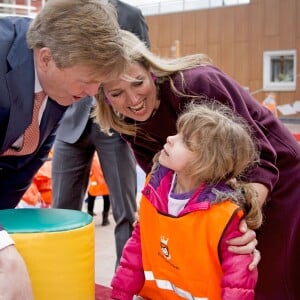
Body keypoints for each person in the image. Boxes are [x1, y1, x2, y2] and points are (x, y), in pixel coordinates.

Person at [95, 30, 300, 299]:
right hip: (220, 195)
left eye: (138, 82)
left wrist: (242, 222)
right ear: (104, 97)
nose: (132, 100)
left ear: (151, 70)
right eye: (117, 93)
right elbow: (160, 179)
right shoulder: (126, 120)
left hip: (277, 179)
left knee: (267, 276)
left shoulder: (197, 84)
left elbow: (260, 158)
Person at [0, 0, 125, 298]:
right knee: (10, 270)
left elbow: (25, 161)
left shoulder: (61, 86)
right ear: (46, 58)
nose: (94, 92)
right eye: (87, 80)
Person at [111, 102, 263, 299]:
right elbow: (136, 248)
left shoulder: (225, 214)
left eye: (185, 141)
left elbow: (238, 282)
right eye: (177, 133)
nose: (170, 139)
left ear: (206, 161)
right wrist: (119, 295)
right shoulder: (153, 186)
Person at [52, 0, 150, 266]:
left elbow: (145, 69)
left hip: (116, 127)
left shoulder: (131, 15)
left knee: (125, 212)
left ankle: (124, 283)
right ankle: (61, 277)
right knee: (61, 211)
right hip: (70, 124)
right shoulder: (67, 13)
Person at [86, 153, 111, 226]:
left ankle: (89, 218)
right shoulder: (106, 155)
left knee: (91, 198)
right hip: (105, 181)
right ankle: (105, 220)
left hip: (94, 181)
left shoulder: (92, 156)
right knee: (106, 199)